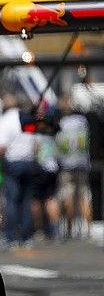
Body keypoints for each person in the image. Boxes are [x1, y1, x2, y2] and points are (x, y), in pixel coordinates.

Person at [0, 92, 38, 248]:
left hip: (13, 163)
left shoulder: (4, 121)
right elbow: (36, 144)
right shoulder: (27, 119)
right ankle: (26, 236)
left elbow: (0, 147)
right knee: (26, 201)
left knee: (11, 200)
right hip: (29, 162)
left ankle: (10, 236)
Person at [55, 96, 92, 238]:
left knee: (68, 196)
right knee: (83, 195)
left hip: (67, 165)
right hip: (82, 163)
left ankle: (69, 230)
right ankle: (87, 230)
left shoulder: (62, 123)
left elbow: (59, 146)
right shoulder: (82, 121)